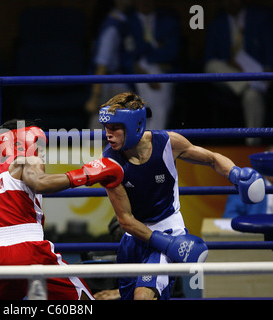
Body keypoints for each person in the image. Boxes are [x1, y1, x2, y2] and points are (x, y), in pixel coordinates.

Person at [0, 119, 124, 300]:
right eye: (39, 146)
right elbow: (40, 183)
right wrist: (88, 173)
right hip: (31, 252)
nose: (41, 154)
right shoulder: (26, 161)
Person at [97, 92, 265, 300]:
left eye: (114, 127)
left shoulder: (168, 143)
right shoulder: (109, 162)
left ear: (134, 126)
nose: (108, 134)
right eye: (106, 128)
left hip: (168, 230)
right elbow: (126, 221)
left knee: (143, 297)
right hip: (134, 238)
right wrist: (168, 245)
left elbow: (212, 159)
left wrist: (235, 173)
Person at [204, 0, 272, 144]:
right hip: (229, 76)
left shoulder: (261, 17)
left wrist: (268, 66)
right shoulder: (217, 23)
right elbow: (209, 57)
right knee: (211, 65)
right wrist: (229, 63)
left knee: (252, 96)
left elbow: (269, 46)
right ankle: (246, 84)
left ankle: (252, 145)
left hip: (256, 73)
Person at [126, 0, 180, 130]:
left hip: (162, 68)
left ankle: (151, 143)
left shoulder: (168, 21)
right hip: (135, 70)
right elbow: (127, 53)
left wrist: (143, 49)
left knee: (159, 109)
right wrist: (155, 45)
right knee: (149, 109)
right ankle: (150, 142)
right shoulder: (127, 22)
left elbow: (172, 52)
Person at [85, 0, 134, 129]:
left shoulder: (122, 22)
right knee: (102, 122)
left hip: (118, 81)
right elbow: (102, 64)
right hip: (111, 84)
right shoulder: (112, 26)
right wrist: (95, 96)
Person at [223, 146, 273, 218]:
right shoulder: (246, 183)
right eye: (271, 161)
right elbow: (230, 216)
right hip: (253, 229)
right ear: (264, 163)